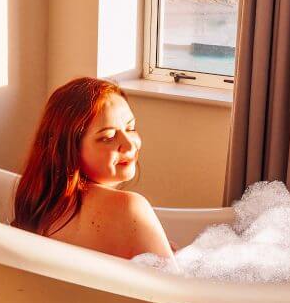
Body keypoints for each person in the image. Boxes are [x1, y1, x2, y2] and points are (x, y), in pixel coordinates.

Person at [12, 77, 175, 260]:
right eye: (108, 137)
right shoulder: (129, 208)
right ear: (70, 149)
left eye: (130, 128)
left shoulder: (37, 202)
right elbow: (173, 286)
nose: (129, 146)